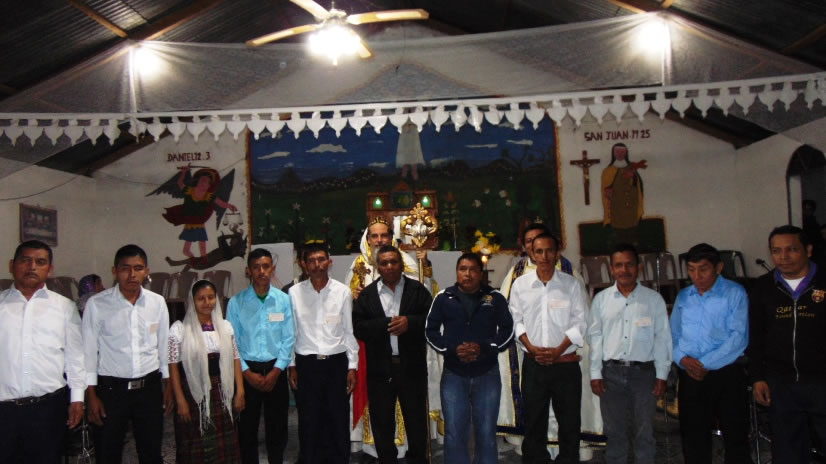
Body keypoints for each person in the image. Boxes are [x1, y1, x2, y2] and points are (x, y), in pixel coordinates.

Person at [83, 244, 170, 463]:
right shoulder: (97, 304)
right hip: (111, 391)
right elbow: (88, 353)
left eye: (138, 268)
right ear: (114, 271)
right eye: (125, 268)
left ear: (146, 271)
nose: (132, 274)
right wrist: (91, 395)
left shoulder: (157, 303)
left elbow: (163, 346)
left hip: (149, 388)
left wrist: (167, 385)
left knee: (151, 452)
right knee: (107, 452)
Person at [0, 240, 85, 463]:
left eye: (40, 262)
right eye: (25, 260)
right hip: (4, 411)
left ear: (50, 269)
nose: (32, 267)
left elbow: (75, 356)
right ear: (12, 265)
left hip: (48, 409)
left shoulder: (64, 307)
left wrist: (77, 399)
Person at [425, 252, 514, 464]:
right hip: (454, 374)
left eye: (473, 269)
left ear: (480, 273)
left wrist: (484, 348)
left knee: (486, 432)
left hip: (487, 373)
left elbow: (508, 330)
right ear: (457, 272)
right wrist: (452, 349)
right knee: (455, 432)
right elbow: (430, 331)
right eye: (463, 269)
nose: (467, 274)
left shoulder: (495, 298)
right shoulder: (444, 298)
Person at [587, 243, 672, 464]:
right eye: (618, 265)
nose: (624, 270)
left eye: (629, 265)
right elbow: (595, 338)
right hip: (611, 374)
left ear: (639, 267)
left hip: (644, 374)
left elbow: (662, 338)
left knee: (645, 432)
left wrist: (661, 375)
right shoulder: (601, 300)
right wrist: (595, 373)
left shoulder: (653, 300)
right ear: (611, 269)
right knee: (614, 432)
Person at [749, 225, 826, 463]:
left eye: (791, 249)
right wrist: (757, 377)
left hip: (821, 380)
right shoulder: (763, 287)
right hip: (781, 384)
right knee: (787, 451)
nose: (783, 257)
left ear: (808, 250)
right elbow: (756, 335)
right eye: (776, 251)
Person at [508, 233, 588, 464]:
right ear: (531, 254)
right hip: (534, 364)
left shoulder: (571, 284)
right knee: (534, 422)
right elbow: (515, 321)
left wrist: (558, 350)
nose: (544, 256)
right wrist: (532, 349)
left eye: (549, 251)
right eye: (539, 251)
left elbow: (580, 322)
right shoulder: (521, 285)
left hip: (565, 365)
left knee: (569, 422)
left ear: (557, 253)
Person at [670, 243, 752, 464]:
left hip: (726, 372)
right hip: (690, 373)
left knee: (735, 434)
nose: (697, 276)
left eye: (703, 269)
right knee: (693, 435)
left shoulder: (735, 293)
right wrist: (682, 358)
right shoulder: (684, 296)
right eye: (691, 269)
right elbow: (673, 334)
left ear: (718, 267)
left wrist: (704, 364)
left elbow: (738, 337)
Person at [353, 245, 433, 464]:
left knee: (416, 422)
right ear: (378, 267)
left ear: (401, 265)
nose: (389, 266)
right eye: (384, 263)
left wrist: (410, 323)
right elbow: (358, 327)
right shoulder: (368, 295)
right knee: (382, 424)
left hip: (412, 368)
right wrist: (384, 324)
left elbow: (432, 320)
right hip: (380, 370)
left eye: (393, 262)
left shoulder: (417, 290)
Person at [288, 242, 359, 464]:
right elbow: (291, 332)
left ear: (330, 262)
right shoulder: (294, 293)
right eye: (311, 261)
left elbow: (348, 331)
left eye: (321, 259)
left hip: (336, 364)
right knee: (309, 419)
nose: (317, 265)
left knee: (337, 418)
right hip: (307, 365)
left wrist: (352, 366)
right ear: (303, 264)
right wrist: (292, 365)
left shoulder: (342, 292)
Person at [226, 248, 295, 464]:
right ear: (248, 271)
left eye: (266, 266)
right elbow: (232, 343)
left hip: (276, 371)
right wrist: (246, 373)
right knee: (247, 429)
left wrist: (277, 370)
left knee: (278, 428)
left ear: (272, 269)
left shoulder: (283, 300)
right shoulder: (236, 303)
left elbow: (288, 338)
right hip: (247, 372)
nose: (261, 271)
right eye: (256, 267)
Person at [168, 279, 245, 463]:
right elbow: (173, 367)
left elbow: (235, 358)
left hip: (221, 392)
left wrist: (240, 391)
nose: (207, 302)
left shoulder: (225, 327)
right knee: (195, 444)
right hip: (193, 394)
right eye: (201, 298)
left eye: (211, 297)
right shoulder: (179, 330)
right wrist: (180, 400)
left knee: (224, 446)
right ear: (192, 301)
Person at [601, 143, 645, 245]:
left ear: (626, 153)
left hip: (631, 209)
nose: (620, 154)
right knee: (619, 237)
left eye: (622, 151)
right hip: (617, 209)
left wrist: (632, 177)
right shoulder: (608, 171)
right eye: (617, 151)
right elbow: (606, 190)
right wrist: (609, 192)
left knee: (632, 236)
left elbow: (637, 188)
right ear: (613, 153)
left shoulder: (631, 168)